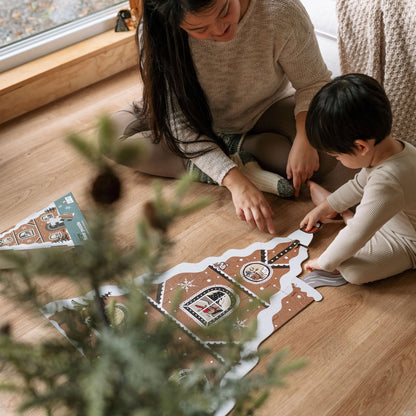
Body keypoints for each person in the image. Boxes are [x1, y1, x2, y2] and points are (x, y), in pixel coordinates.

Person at [111, 0, 337, 234]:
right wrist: (235, 182)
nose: (220, 30)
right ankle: (227, 160)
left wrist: (305, 137)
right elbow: (177, 122)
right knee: (108, 140)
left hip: (265, 107)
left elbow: (314, 82)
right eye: (200, 29)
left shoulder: (281, 10)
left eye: (225, 11)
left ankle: (220, 153)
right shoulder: (156, 28)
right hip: (193, 115)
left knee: (326, 151)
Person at [301, 73, 416, 285]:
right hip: (391, 218)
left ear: (361, 146)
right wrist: (325, 208)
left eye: (336, 156)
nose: (336, 159)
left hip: (409, 241)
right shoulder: (394, 149)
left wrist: (324, 262)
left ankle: (350, 217)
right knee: (358, 230)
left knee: (353, 272)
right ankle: (352, 216)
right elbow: (358, 185)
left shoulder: (388, 180)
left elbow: (357, 233)